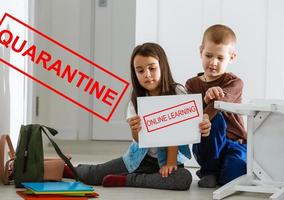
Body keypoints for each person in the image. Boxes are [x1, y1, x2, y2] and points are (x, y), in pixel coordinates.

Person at [64, 42, 211, 190]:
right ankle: (63, 168)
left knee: (183, 178)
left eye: (152, 68)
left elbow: (176, 132)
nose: (147, 75)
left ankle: (127, 180)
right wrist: (135, 130)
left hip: (170, 160)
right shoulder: (136, 101)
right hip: (140, 159)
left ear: (162, 66)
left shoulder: (178, 92)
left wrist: (170, 162)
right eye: (140, 71)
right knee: (95, 175)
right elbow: (139, 139)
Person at [185, 24, 247, 188]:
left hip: (234, 142)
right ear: (201, 51)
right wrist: (204, 109)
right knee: (215, 119)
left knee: (235, 175)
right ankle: (209, 171)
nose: (213, 62)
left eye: (220, 58)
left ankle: (220, 172)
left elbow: (221, 102)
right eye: (208, 55)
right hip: (207, 144)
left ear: (231, 57)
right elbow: (192, 112)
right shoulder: (192, 84)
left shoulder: (235, 82)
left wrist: (211, 101)